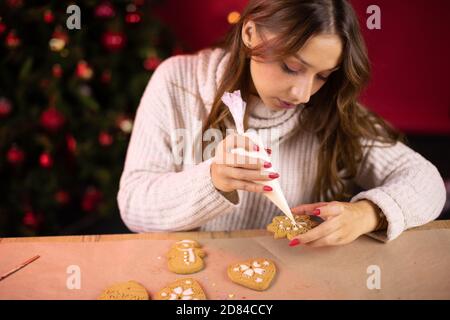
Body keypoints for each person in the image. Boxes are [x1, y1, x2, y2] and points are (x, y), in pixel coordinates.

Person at [117, 0, 446, 247]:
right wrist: (213, 180)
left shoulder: (328, 107)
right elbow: (134, 206)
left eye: (322, 76)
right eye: (291, 67)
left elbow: (427, 182)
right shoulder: (179, 83)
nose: (303, 93)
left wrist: (368, 213)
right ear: (250, 32)